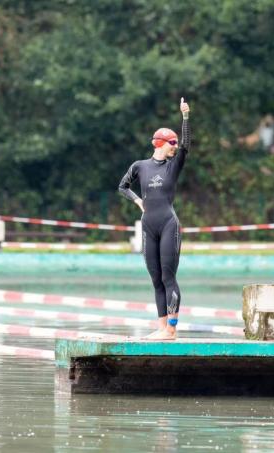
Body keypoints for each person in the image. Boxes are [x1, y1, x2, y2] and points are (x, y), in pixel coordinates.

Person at [118, 97, 190, 341]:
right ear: (159, 143)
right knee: (156, 278)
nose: (175, 146)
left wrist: (185, 117)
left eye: (176, 142)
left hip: (169, 224)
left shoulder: (173, 166)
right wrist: (138, 201)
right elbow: (123, 186)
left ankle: (171, 329)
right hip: (149, 225)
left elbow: (187, 146)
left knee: (169, 277)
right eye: (172, 142)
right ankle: (161, 328)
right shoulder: (140, 166)